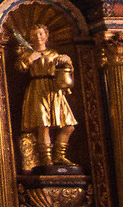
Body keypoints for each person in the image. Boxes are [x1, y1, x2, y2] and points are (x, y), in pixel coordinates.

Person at [16, 24, 79, 171]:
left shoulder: (54, 54)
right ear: (30, 38)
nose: (37, 37)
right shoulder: (28, 53)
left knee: (69, 126)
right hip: (38, 88)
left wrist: (67, 59)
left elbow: (67, 71)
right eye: (34, 35)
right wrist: (30, 58)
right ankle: (46, 159)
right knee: (43, 125)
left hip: (54, 90)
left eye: (40, 34)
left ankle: (59, 155)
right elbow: (20, 67)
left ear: (46, 36)